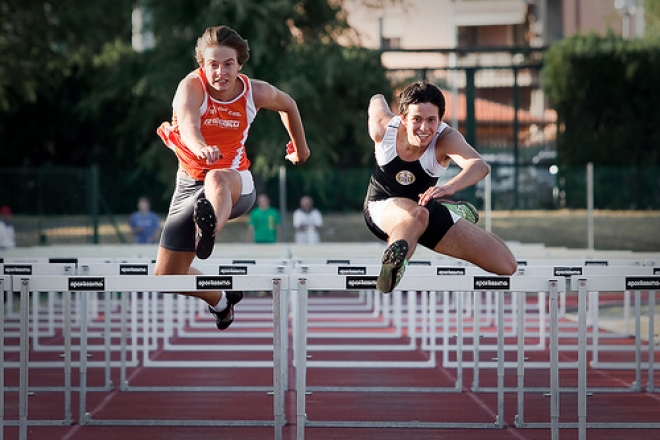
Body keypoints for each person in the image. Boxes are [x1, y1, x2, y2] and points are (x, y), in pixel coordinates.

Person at [154, 25, 310, 330]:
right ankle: (223, 301)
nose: (220, 72)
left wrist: (300, 149)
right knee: (166, 276)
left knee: (216, 180)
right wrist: (200, 148)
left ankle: (209, 228)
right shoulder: (190, 87)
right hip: (188, 185)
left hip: (236, 182)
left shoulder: (256, 91)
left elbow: (288, 105)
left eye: (228, 64)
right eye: (213, 65)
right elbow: (187, 125)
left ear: (240, 65)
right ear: (203, 65)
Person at [363, 80, 517, 294]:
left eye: (431, 120)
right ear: (403, 119)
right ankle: (394, 266)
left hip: (427, 208)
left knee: (506, 265)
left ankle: (448, 210)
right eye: (417, 119)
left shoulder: (446, 137)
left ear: (440, 120)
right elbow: (376, 100)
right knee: (417, 215)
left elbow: (479, 165)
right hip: (382, 207)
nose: (424, 128)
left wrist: (450, 187)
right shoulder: (382, 128)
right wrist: (378, 96)